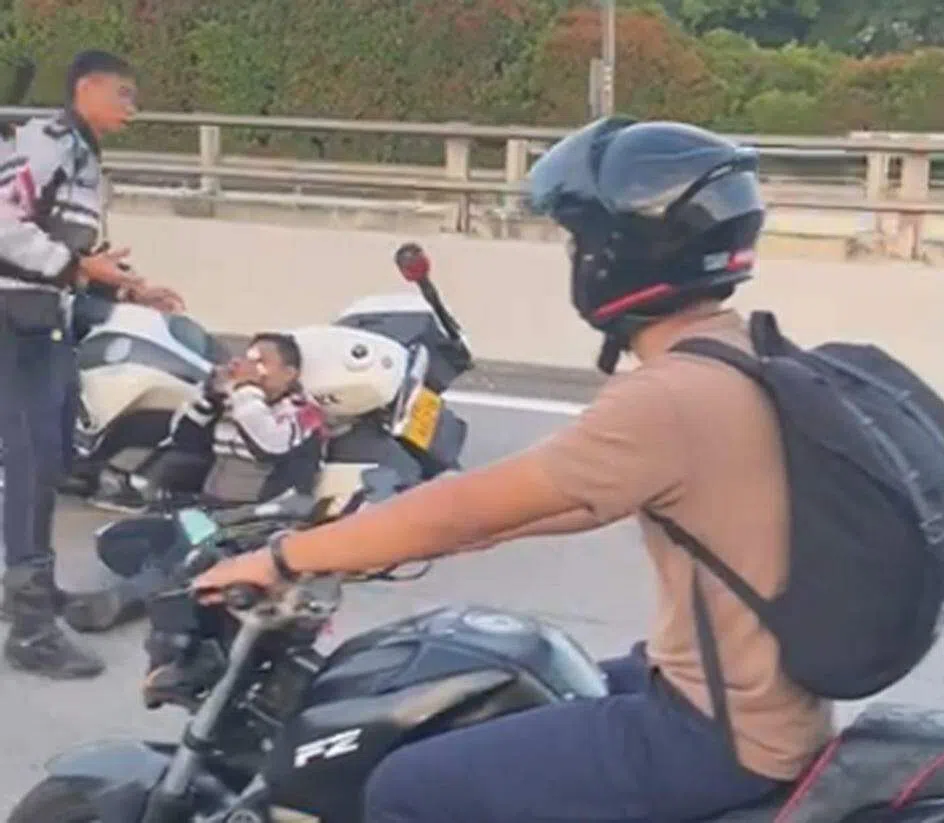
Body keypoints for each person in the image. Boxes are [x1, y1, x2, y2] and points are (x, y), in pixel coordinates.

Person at [193, 116, 835, 823]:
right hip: (744, 696)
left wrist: (284, 557)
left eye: (579, 242)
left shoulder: (671, 397)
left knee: (406, 786)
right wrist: (395, 533)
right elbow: (554, 501)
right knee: (497, 690)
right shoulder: (744, 354)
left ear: (618, 254)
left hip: (717, 734)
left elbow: (470, 510)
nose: (575, 258)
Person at [0, 50, 183, 679]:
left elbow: (72, 252)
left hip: (44, 319)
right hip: (12, 319)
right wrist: (79, 267)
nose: (133, 108)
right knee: (30, 464)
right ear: (87, 88)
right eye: (123, 94)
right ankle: (29, 629)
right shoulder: (47, 144)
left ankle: (29, 589)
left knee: (51, 461)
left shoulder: (82, 156)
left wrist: (128, 287)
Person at [61, 332, 326, 633]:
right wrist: (209, 398)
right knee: (116, 540)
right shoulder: (240, 401)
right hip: (210, 513)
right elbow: (183, 438)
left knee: (189, 546)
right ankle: (193, 583)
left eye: (262, 362)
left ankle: (128, 598)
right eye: (248, 358)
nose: (250, 367)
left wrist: (245, 391)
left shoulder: (305, 412)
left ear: (289, 373)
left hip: (259, 523)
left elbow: (269, 445)